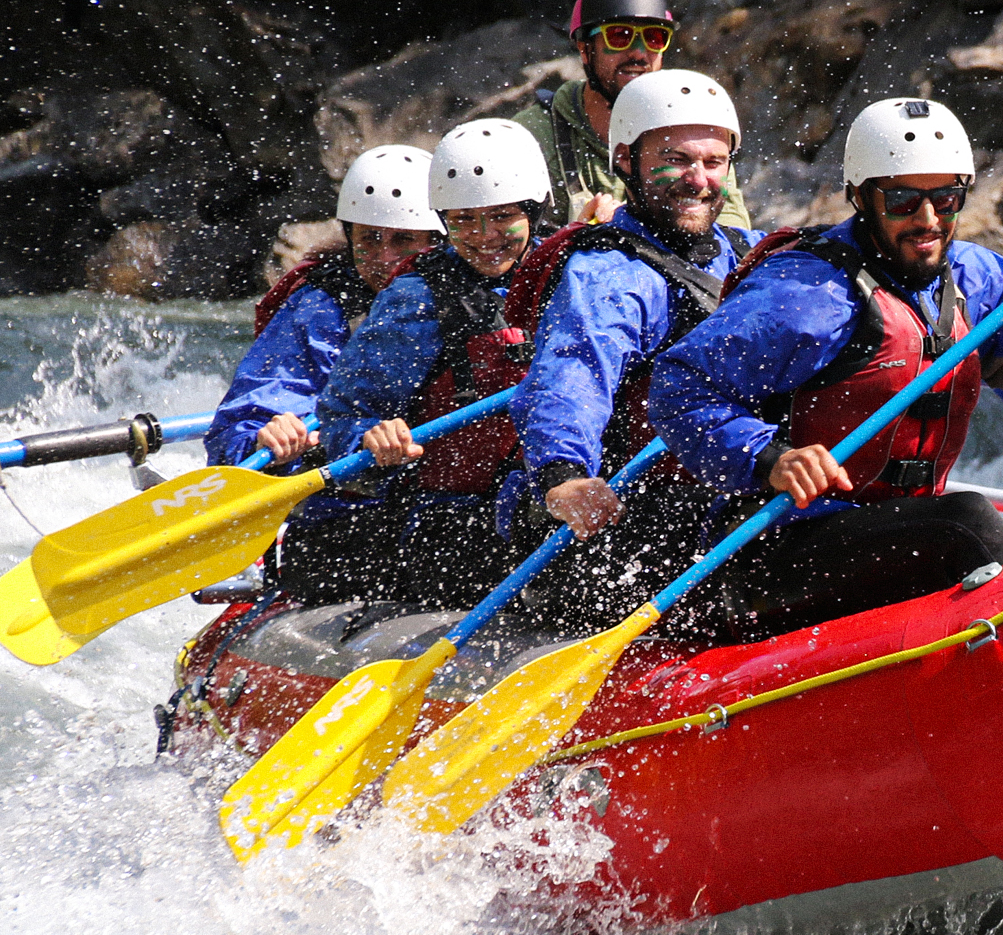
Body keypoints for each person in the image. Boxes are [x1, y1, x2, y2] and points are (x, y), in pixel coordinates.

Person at [647, 96, 1003, 640]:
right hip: (776, 550)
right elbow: (678, 387)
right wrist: (770, 456)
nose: (928, 219)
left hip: (902, 533)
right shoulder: (806, 293)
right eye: (903, 201)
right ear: (861, 198)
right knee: (969, 522)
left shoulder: (969, 277)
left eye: (946, 197)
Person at [499, 71, 762, 629]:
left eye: (714, 162)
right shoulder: (608, 275)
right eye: (675, 160)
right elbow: (573, 374)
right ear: (626, 160)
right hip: (624, 509)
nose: (698, 179)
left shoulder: (743, 253)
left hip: (728, 484)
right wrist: (564, 473)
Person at [297, 120, 545, 608]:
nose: (483, 236)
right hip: (452, 527)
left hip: (547, 505)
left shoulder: (568, 273)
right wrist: (369, 436)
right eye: (463, 220)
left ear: (535, 211)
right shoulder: (415, 300)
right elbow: (343, 416)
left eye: (501, 216)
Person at [207, 144, 440, 469]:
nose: (385, 257)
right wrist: (262, 436)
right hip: (345, 498)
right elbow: (254, 410)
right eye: (370, 239)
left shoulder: (471, 294)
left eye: (403, 240)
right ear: (350, 236)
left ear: (435, 240)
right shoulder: (322, 307)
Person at [508, 0, 750, 232]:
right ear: (584, 48)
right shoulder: (531, 137)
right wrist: (574, 241)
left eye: (654, 37)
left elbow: (734, 240)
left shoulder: (693, 128)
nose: (638, 51)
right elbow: (495, 249)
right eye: (619, 36)